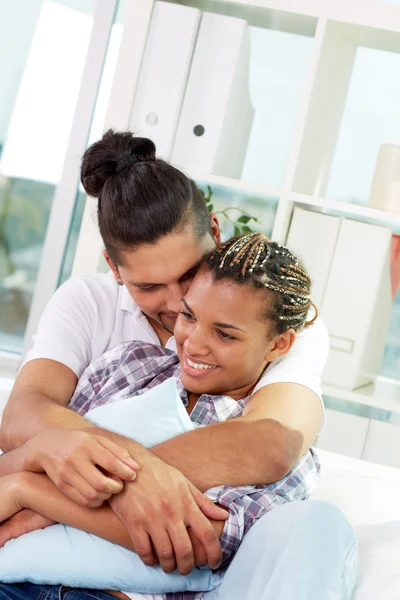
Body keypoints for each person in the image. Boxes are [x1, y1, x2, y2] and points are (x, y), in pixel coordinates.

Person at [0, 131, 356, 599]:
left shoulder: (284, 327)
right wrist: (138, 480)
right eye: (148, 287)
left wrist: (60, 484)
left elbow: (270, 442)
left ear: (214, 229)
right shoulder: (113, 342)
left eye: (189, 274)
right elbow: (23, 418)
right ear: (113, 265)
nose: (175, 304)